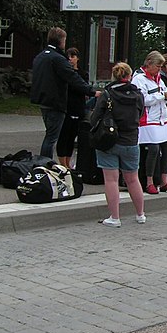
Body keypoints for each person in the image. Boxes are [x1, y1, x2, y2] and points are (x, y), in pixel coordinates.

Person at [89, 62, 146, 227]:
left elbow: (95, 118)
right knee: (133, 179)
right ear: (129, 76)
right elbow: (140, 114)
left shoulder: (107, 94)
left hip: (109, 140)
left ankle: (115, 217)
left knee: (111, 180)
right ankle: (140, 214)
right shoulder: (138, 95)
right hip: (131, 141)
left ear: (114, 76)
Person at [30, 27, 99, 160]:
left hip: (43, 100)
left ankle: (45, 163)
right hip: (55, 102)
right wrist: (91, 91)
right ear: (61, 40)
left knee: (50, 134)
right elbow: (73, 78)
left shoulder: (41, 56)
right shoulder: (58, 59)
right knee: (51, 137)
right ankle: (46, 165)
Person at [132, 51, 167, 194]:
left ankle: (164, 181)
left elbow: (163, 95)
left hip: (161, 119)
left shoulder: (158, 79)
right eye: (158, 66)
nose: (159, 69)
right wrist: (161, 96)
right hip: (148, 119)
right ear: (149, 63)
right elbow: (143, 99)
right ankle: (149, 182)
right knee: (153, 149)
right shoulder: (139, 79)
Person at [56, 48, 90, 168]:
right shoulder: (65, 73)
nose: (70, 59)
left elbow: (83, 88)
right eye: (68, 56)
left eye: (73, 56)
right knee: (64, 136)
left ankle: (68, 163)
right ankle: (62, 163)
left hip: (79, 107)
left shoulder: (83, 73)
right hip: (66, 107)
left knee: (72, 137)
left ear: (77, 58)